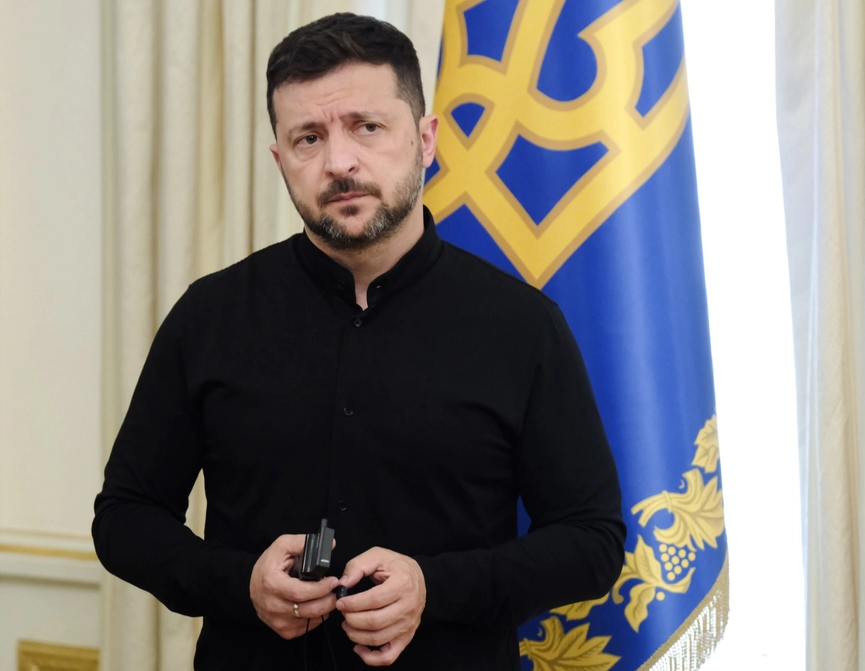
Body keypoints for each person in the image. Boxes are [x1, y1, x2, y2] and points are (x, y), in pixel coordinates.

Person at [92, 12, 625, 670]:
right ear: (280, 159)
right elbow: (125, 516)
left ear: (425, 140)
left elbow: (592, 540)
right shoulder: (209, 316)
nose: (339, 162)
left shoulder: (524, 326)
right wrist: (239, 582)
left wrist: (435, 588)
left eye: (367, 127)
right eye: (308, 138)